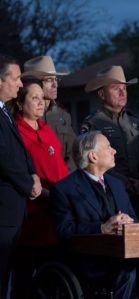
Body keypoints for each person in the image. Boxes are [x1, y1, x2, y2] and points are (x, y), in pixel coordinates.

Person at [82, 65, 139, 298]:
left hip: (136, 196)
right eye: (115, 88)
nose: (122, 93)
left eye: (124, 88)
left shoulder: (134, 122)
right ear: (101, 94)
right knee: (115, 254)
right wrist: (122, 182)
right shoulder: (93, 124)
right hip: (108, 195)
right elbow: (90, 161)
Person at [50, 131, 137, 299]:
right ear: (93, 157)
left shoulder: (117, 185)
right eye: (108, 147)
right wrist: (102, 228)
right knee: (128, 274)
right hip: (91, 260)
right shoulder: (63, 190)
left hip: (123, 253)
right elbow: (64, 232)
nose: (114, 151)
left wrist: (129, 222)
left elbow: (135, 219)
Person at [8, 78, 69, 298]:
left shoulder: (46, 129)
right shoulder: (15, 132)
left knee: (53, 280)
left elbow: (60, 168)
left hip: (56, 216)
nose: (41, 102)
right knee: (24, 282)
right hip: (31, 220)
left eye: (42, 97)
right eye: (34, 98)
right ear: (20, 103)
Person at [0, 54, 42, 298]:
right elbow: (4, 157)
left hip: (14, 213)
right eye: (15, 79)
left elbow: (21, 152)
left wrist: (34, 174)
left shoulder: (5, 112)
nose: (19, 84)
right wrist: (29, 184)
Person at [22, 55, 76, 171]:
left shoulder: (63, 115)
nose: (55, 85)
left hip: (63, 181)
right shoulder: (21, 116)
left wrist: (66, 176)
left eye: (56, 80)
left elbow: (73, 150)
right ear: (35, 83)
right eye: (49, 80)